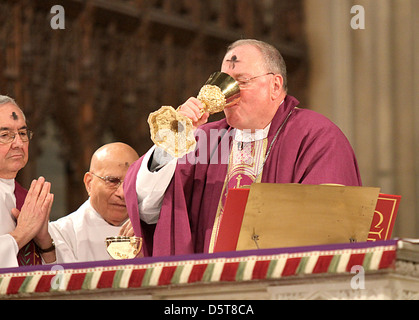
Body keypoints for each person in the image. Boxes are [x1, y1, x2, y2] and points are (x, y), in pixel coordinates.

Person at [123, 39, 362, 257]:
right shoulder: (205, 140)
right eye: (222, 82)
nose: (227, 94)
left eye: (241, 82)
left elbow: (332, 226)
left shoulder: (314, 135)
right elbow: (148, 209)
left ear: (275, 85)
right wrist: (173, 141)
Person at [48, 142, 140, 263]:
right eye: (112, 181)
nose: (122, 194)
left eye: (130, 182)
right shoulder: (61, 234)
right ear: (89, 183)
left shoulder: (150, 230)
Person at [0, 95, 55, 268]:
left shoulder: (26, 199)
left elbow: (57, 278)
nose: (18, 143)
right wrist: (21, 234)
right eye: (5, 135)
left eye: (22, 133)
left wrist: (45, 242)